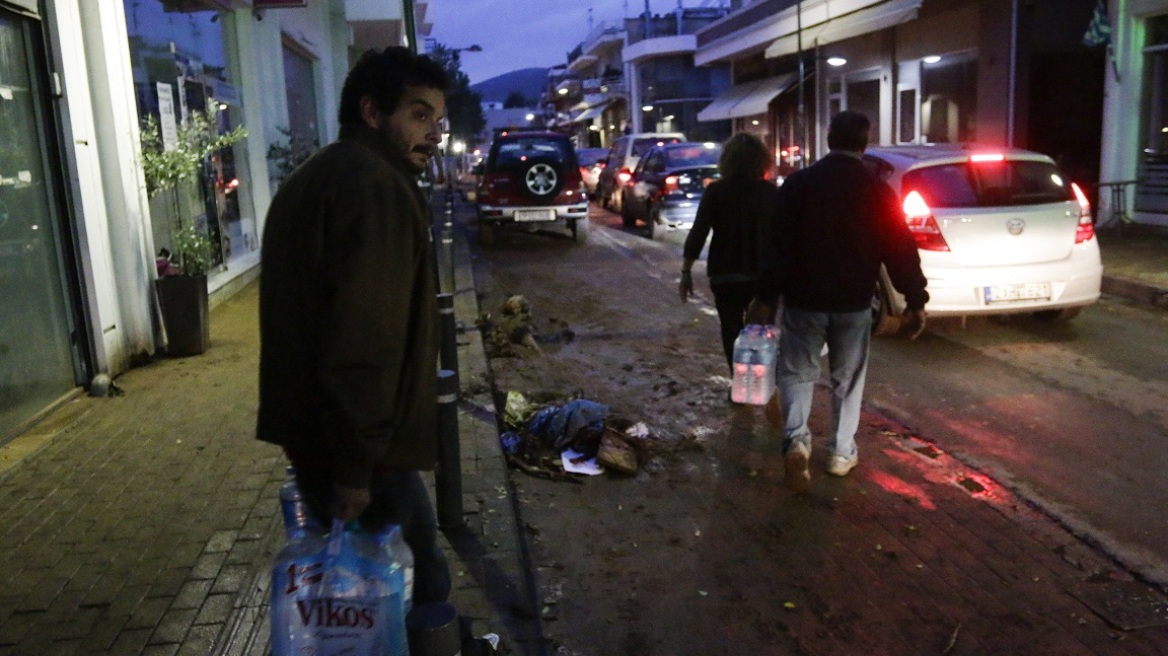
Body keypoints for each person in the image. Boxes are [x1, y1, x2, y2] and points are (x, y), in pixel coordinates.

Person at [256, 46, 452, 604]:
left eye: (437, 120)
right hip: (363, 453)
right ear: (372, 112)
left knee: (382, 585)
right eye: (418, 115)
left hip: (328, 441)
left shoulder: (315, 176)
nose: (434, 133)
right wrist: (355, 468)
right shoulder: (376, 187)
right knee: (413, 587)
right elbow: (364, 338)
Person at [746, 111, 928, 490]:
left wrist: (765, 296)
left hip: (803, 301)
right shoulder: (877, 190)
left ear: (829, 138)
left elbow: (777, 247)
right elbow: (899, 247)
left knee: (797, 373)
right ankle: (841, 453)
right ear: (864, 141)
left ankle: (796, 443)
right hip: (854, 302)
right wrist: (914, 299)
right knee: (848, 378)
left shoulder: (799, 185)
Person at [680, 133, 781, 374]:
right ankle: (759, 380)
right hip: (762, 278)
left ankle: (738, 379)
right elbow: (783, 239)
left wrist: (686, 271)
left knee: (730, 330)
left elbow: (698, 232)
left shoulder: (716, 192)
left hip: (725, 276)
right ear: (762, 160)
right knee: (761, 330)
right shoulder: (771, 193)